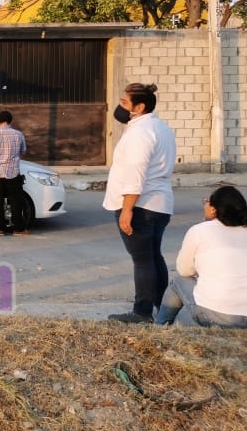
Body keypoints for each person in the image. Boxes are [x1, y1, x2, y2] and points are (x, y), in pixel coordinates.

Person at [103, 83, 176, 324]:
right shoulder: (161, 128)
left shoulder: (140, 133)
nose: (120, 106)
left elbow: (136, 173)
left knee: (143, 260)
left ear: (140, 107)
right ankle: (164, 310)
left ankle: (142, 313)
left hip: (141, 206)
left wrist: (127, 210)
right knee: (154, 257)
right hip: (159, 203)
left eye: (124, 102)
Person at [156, 187, 247, 328]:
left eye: (207, 201)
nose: (205, 204)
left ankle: (160, 327)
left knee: (178, 281)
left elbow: (184, 271)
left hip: (216, 316)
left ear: (213, 209)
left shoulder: (199, 230)